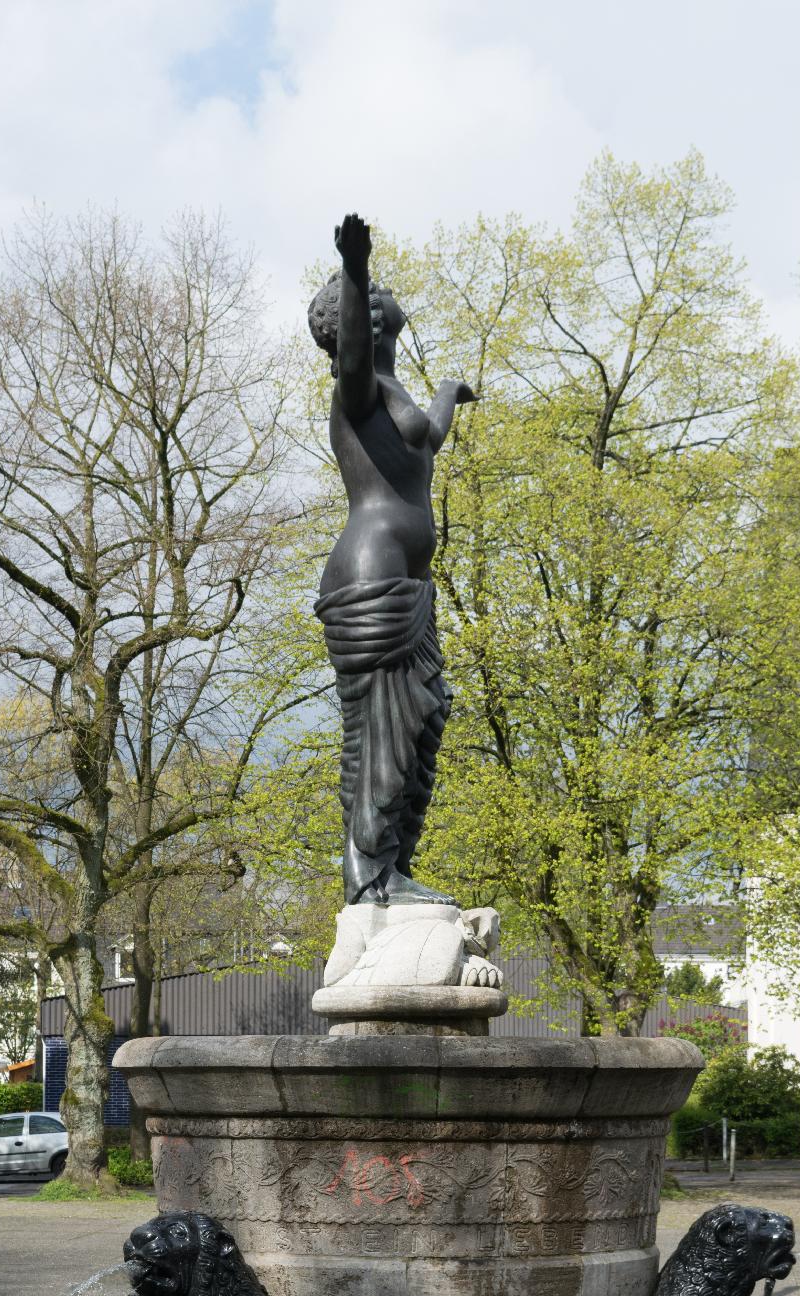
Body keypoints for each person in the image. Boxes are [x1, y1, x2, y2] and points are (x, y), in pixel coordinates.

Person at [309, 213, 476, 905]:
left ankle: (395, 866)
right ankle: (370, 876)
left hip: (410, 584)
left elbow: (428, 436)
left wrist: (450, 392)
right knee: (386, 726)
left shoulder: (396, 393)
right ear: (363, 320)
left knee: (426, 717)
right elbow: (351, 357)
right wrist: (355, 265)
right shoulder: (356, 391)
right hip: (373, 577)